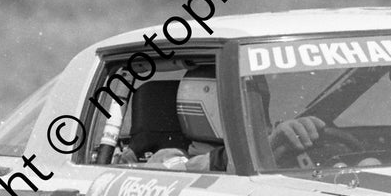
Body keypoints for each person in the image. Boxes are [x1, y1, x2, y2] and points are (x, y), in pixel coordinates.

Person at [134, 67, 334, 171]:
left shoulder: (265, 146)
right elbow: (194, 169)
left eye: (259, 104)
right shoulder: (167, 159)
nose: (259, 117)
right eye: (248, 104)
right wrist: (265, 147)